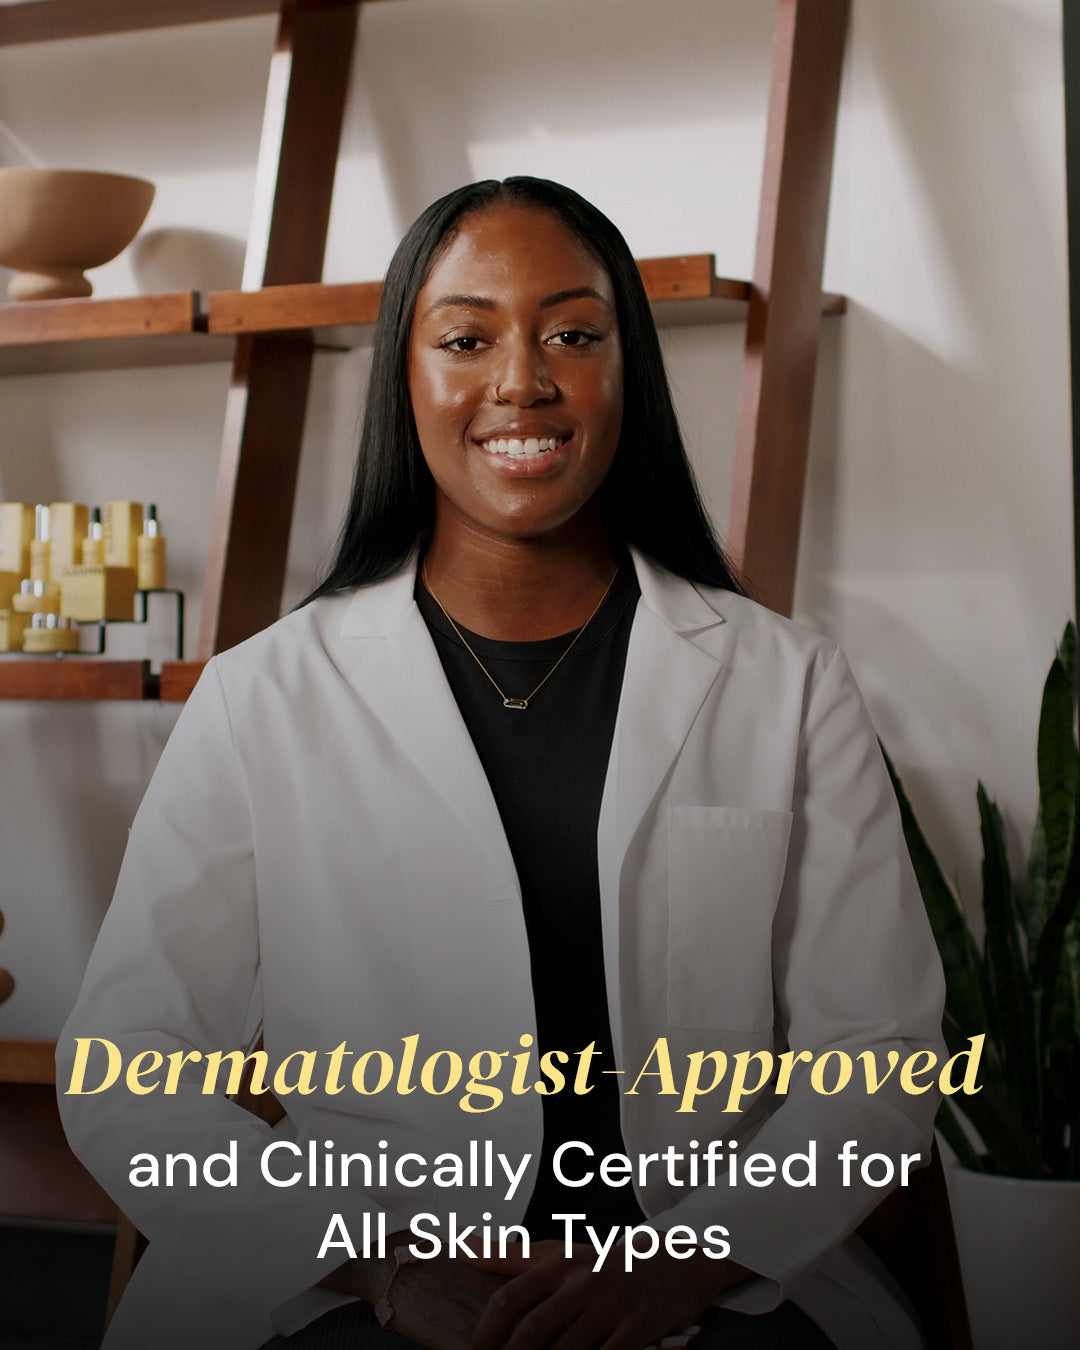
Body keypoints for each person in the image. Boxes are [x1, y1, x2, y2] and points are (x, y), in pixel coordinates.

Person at [57, 177, 946, 1350]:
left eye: (573, 334)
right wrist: (382, 1268)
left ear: (628, 371)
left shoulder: (789, 682)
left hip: (704, 1286)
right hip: (350, 1292)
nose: (522, 381)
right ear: (405, 377)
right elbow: (125, 1070)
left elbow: (880, 1058)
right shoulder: (260, 695)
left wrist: (678, 1266)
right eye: (466, 340)